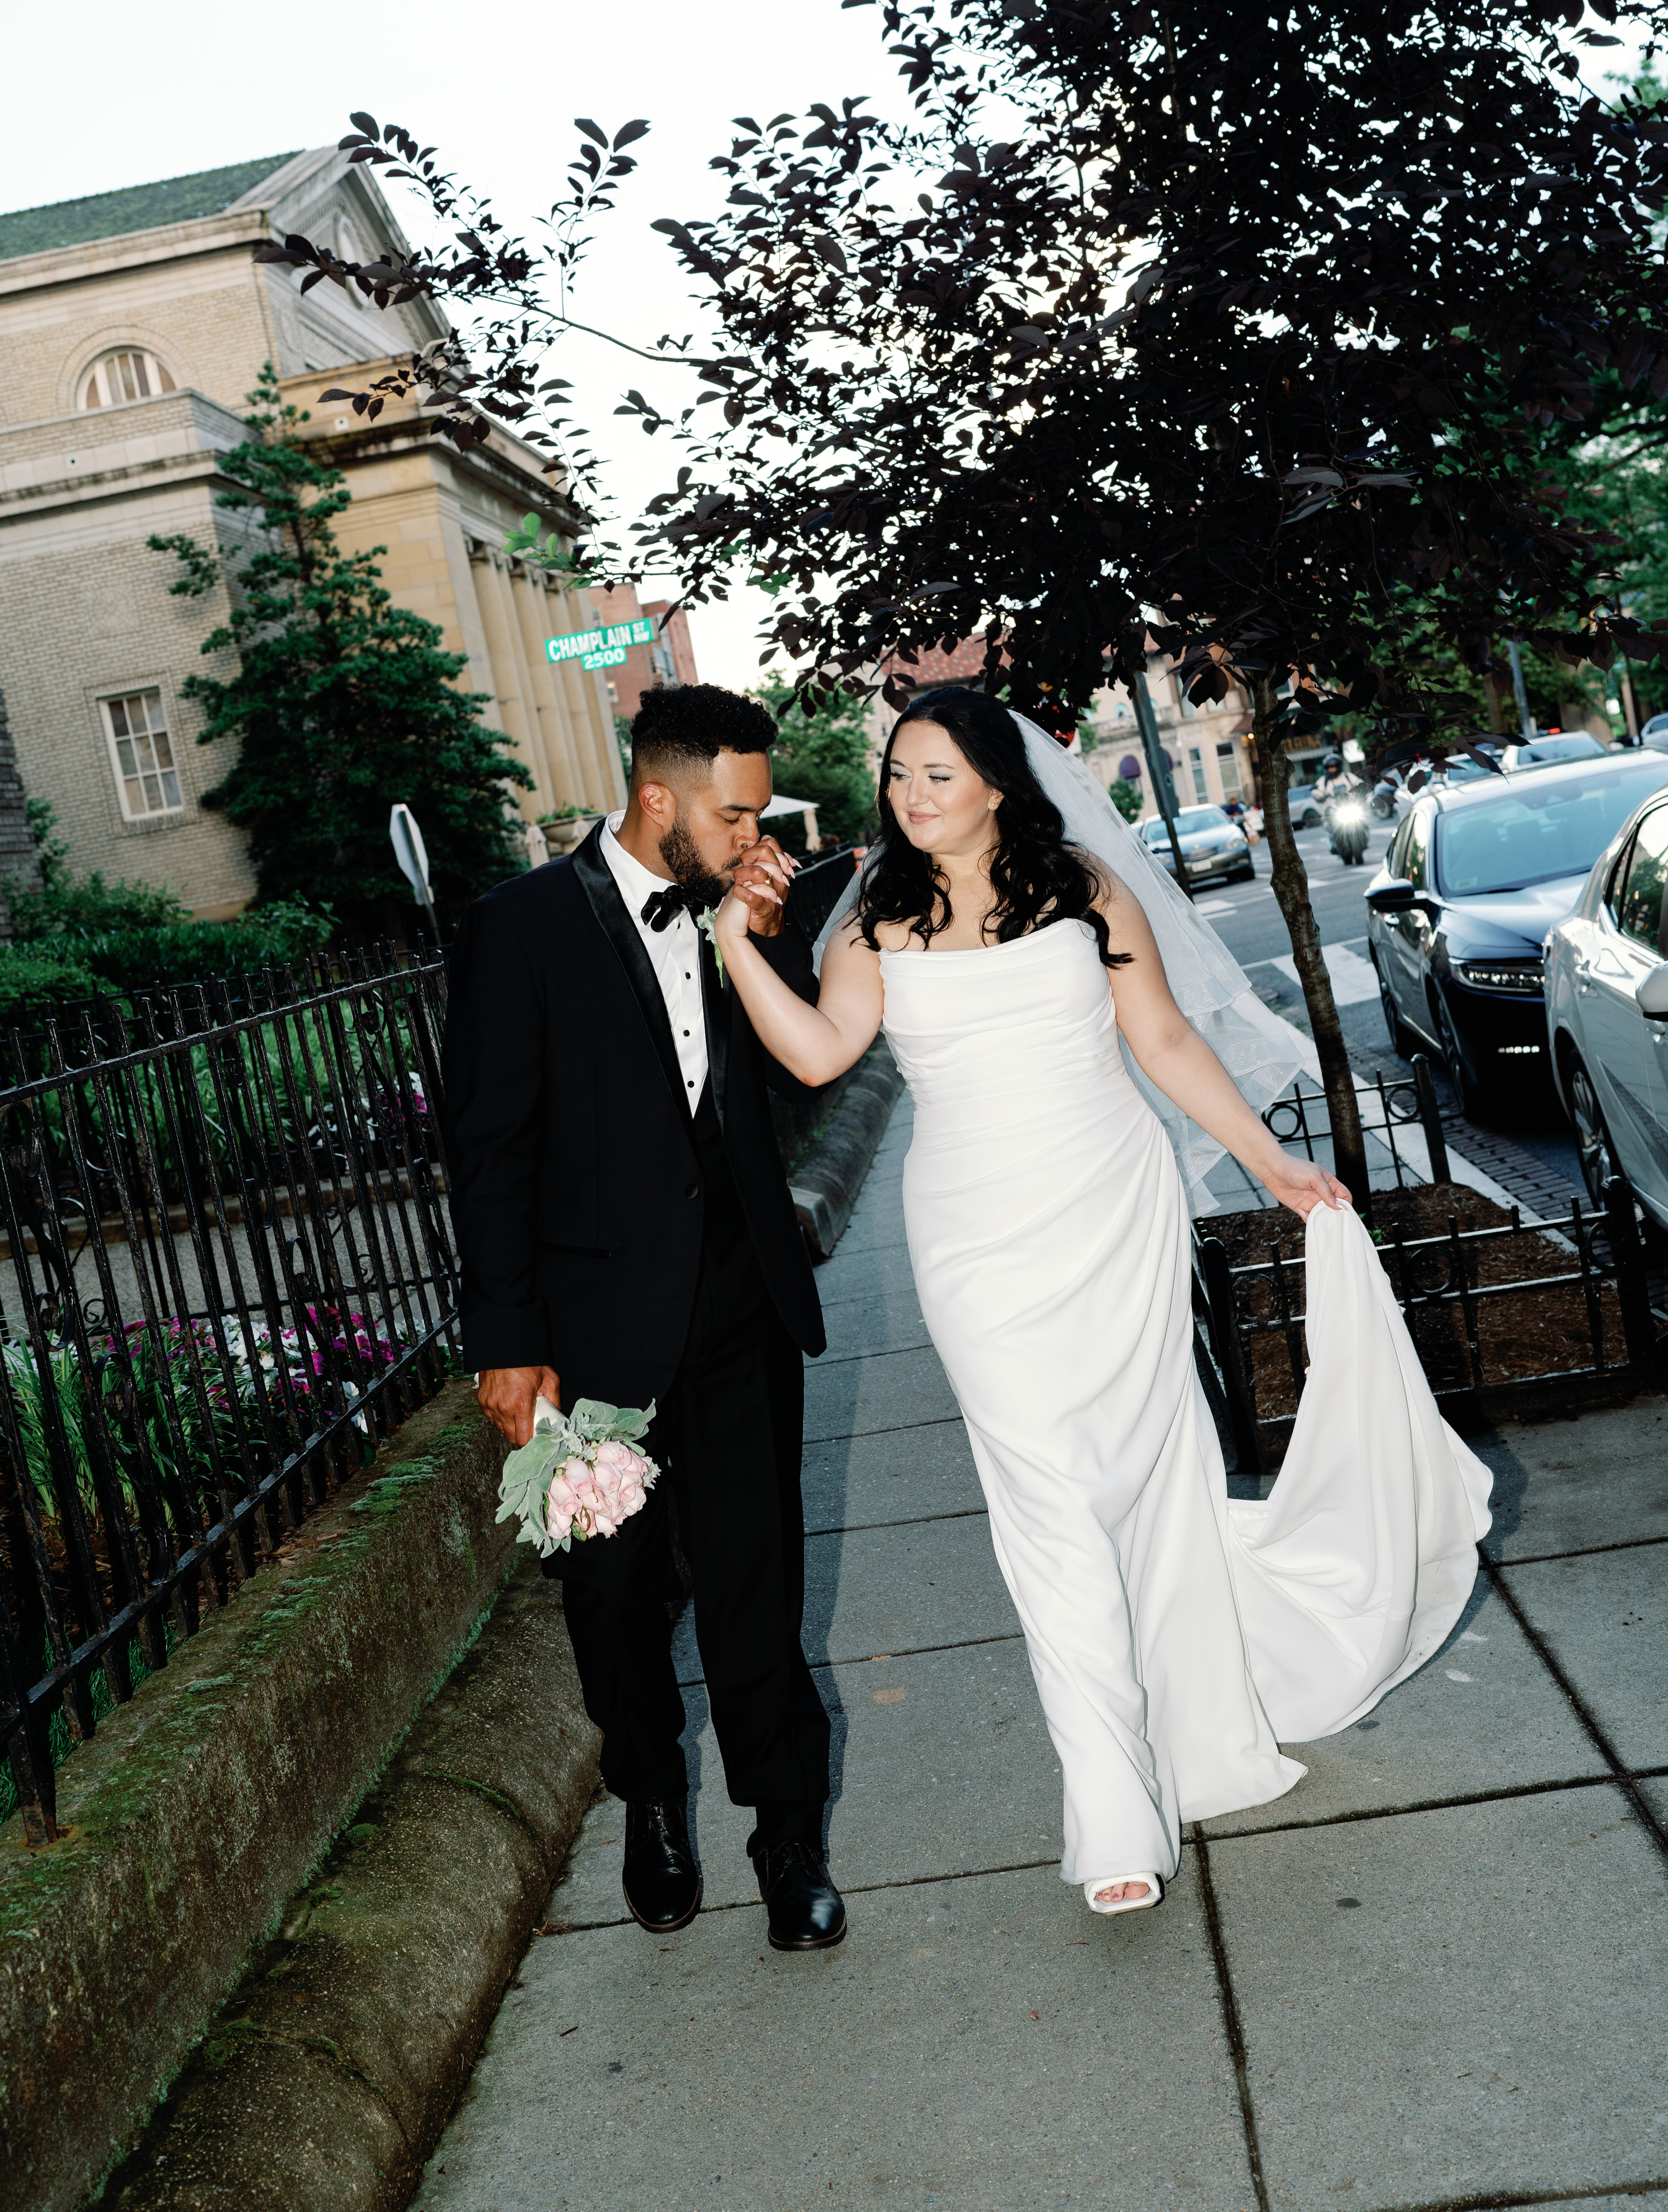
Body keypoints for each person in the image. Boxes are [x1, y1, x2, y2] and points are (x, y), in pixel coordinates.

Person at [713, 686, 1491, 1917]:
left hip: (1113, 1208)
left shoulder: (1082, 885)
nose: (912, 799)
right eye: (900, 776)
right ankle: (1113, 1807)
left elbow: (1167, 1041)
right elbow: (816, 1055)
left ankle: (1196, 1730)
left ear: (995, 785)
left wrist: (1273, 1164)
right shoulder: (873, 920)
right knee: (1047, 1503)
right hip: (973, 1235)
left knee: (1151, 1472)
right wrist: (733, 948)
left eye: (936, 776)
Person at [442, 684, 846, 1953]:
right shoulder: (517, 930)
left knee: (755, 1580)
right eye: (735, 812)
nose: (754, 833)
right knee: (609, 1597)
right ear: (657, 797)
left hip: (738, 1306)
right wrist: (508, 1339)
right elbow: (488, 1149)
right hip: (584, 1336)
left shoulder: (742, 907)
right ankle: (654, 1804)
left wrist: (767, 938)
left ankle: (789, 1837)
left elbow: (797, 1074)